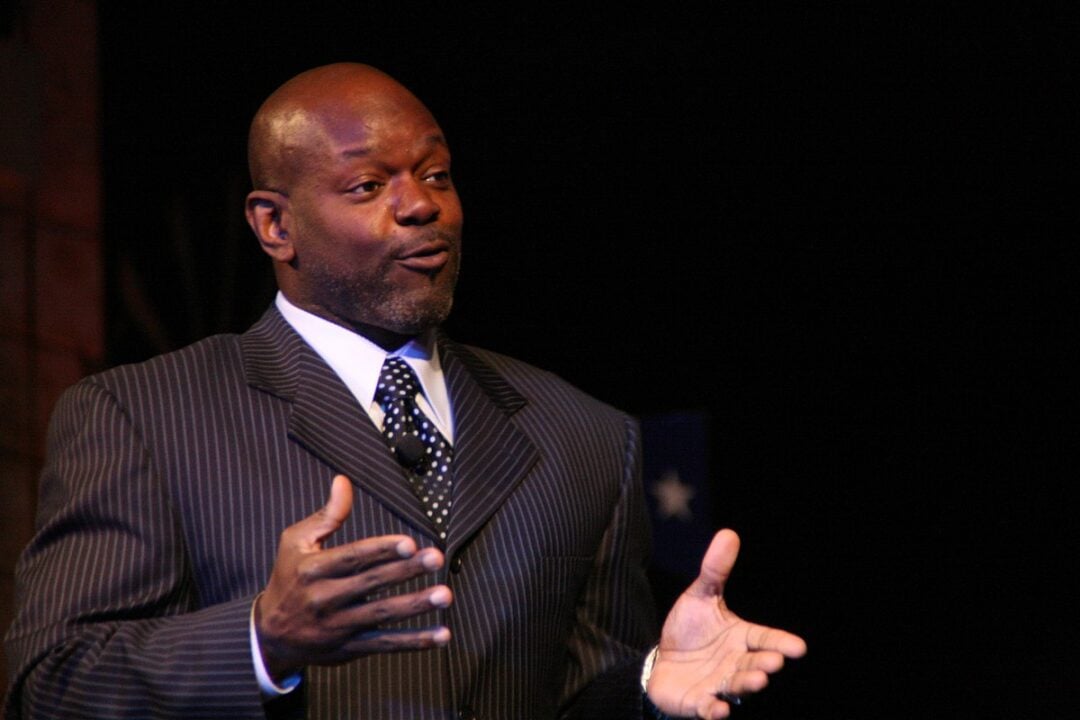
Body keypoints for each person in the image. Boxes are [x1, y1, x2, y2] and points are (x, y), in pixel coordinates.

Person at [3, 62, 806, 720]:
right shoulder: (141, 415)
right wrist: (260, 641)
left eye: (436, 174)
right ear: (274, 225)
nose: (423, 205)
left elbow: (572, 693)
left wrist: (644, 689)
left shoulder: (585, 434)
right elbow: (50, 684)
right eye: (367, 186)